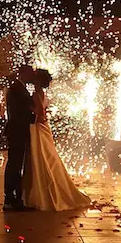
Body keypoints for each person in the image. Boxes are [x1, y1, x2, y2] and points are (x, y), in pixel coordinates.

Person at [23, 69, 91, 211]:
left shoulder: (36, 94)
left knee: (40, 155)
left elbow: (40, 114)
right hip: (42, 127)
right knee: (46, 156)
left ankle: (43, 189)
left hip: (38, 127)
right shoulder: (42, 93)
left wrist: (29, 108)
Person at [3, 66, 36, 211]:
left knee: (16, 165)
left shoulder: (19, 88)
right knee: (14, 165)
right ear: (23, 73)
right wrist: (35, 117)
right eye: (29, 73)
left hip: (18, 131)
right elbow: (19, 112)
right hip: (17, 131)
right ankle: (10, 199)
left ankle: (15, 198)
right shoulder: (16, 89)